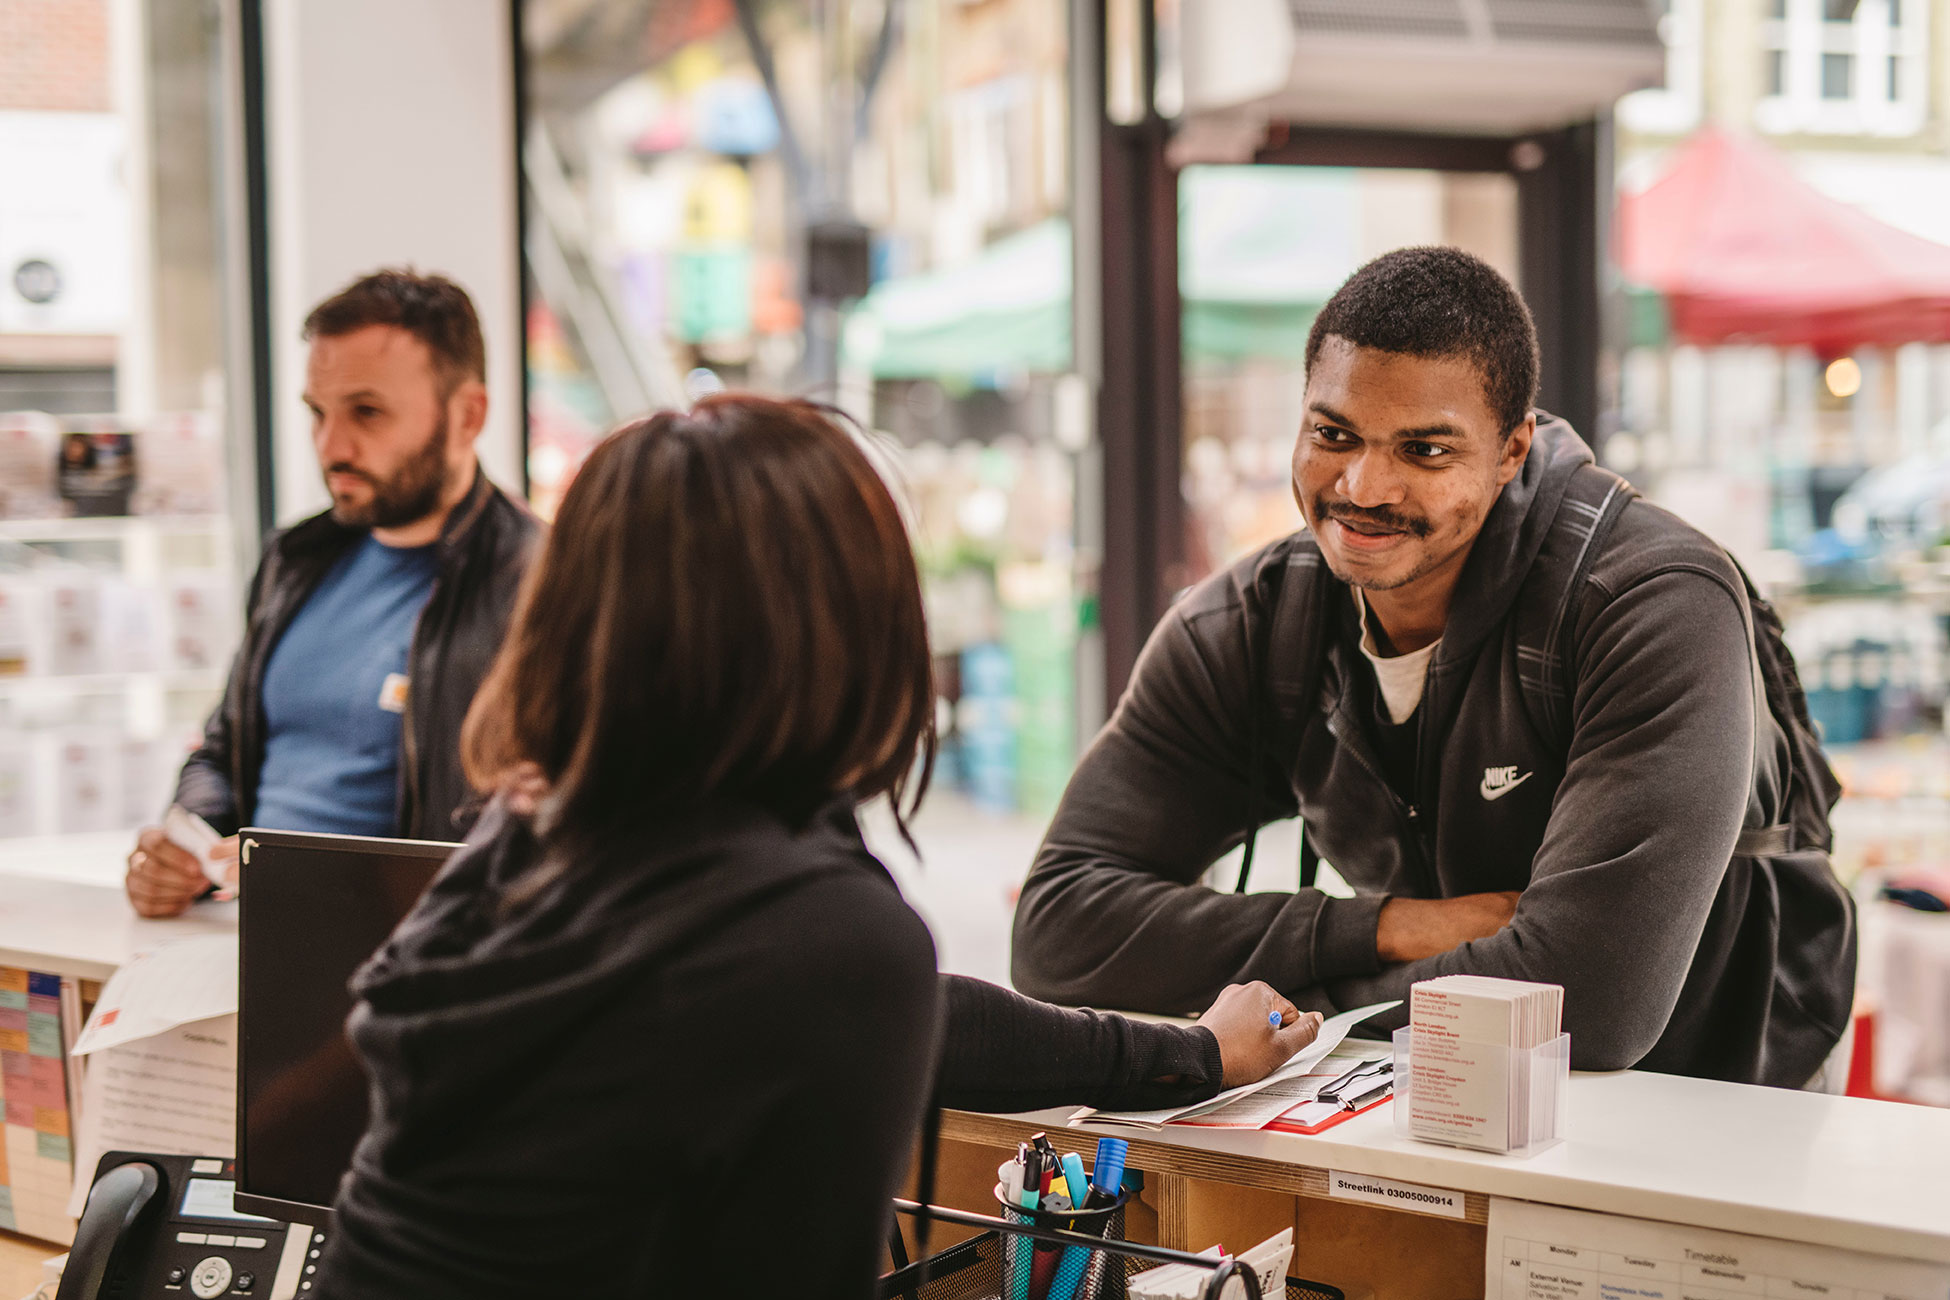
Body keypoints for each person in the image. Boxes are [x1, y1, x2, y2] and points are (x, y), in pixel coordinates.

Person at [311, 396, 1323, 1300]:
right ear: (850, 627)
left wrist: (1190, 1053)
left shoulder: (531, 837)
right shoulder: (818, 936)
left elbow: (926, 1017)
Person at [1011, 246, 1856, 1089]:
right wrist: (1390, 927)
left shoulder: (1648, 602)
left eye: (1425, 451)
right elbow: (1058, 932)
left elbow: (1590, 1003)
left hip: (1719, 1096)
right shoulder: (1254, 624)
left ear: (1512, 450)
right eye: (1333, 434)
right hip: (1433, 1097)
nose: (1364, 487)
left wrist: (1283, 1019)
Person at [124, 270, 542, 917]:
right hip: (249, 938)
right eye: (318, 413)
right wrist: (187, 846)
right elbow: (223, 749)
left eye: (366, 413)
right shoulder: (295, 558)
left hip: (408, 960)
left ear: (468, 416)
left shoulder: (542, 581)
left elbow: (554, 819)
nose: (331, 446)